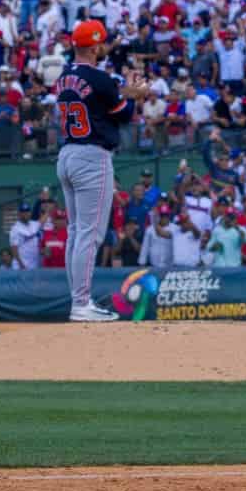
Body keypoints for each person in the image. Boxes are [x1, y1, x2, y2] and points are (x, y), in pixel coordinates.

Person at [55, 20, 148, 321]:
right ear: (94, 46)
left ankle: (78, 301)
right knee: (89, 235)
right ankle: (81, 304)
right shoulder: (102, 78)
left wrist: (124, 91)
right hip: (92, 157)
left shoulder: (64, 75)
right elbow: (123, 114)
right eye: (102, 43)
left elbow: (99, 96)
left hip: (67, 153)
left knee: (75, 233)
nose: (105, 47)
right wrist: (137, 96)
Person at [7, 203, 41, 269]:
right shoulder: (15, 229)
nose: (25, 214)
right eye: (23, 212)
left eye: (27, 211)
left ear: (30, 213)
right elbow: (14, 249)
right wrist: (21, 264)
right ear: (19, 214)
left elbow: (42, 221)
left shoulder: (34, 224)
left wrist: (47, 212)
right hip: (21, 265)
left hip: (34, 264)